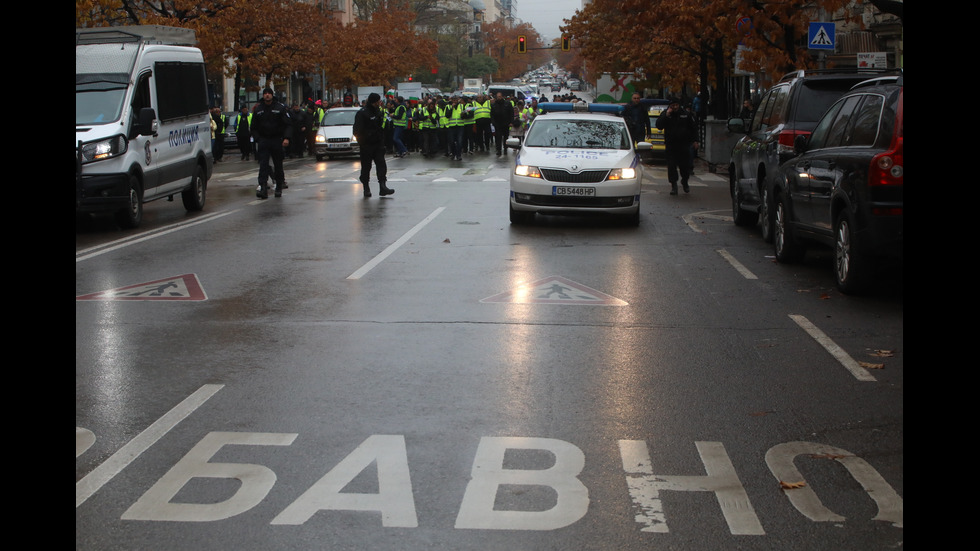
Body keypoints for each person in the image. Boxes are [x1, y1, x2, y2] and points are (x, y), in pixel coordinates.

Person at [251, 87, 292, 199]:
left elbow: (287, 124)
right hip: (264, 140)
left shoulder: (280, 108)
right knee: (263, 165)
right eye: (265, 94)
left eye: (269, 93)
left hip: (276, 139)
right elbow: (253, 127)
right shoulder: (258, 109)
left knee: (278, 164)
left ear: (272, 95)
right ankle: (263, 187)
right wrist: (258, 139)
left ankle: (279, 185)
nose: (267, 95)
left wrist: (286, 138)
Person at [352, 92, 394, 198]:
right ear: (372, 102)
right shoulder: (362, 113)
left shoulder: (379, 112)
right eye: (377, 102)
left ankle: (383, 187)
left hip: (378, 144)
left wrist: (382, 141)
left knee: (381, 165)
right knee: (366, 167)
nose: (378, 103)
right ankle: (366, 188)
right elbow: (356, 130)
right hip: (366, 145)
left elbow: (381, 127)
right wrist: (362, 142)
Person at [655, 98, 699, 195]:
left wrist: (695, 140)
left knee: (685, 166)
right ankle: (674, 185)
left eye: (676, 105)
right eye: (672, 106)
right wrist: (666, 115)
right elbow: (659, 125)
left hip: (684, 145)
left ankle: (685, 181)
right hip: (671, 145)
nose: (674, 107)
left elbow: (693, 128)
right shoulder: (666, 114)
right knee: (671, 166)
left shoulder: (686, 114)